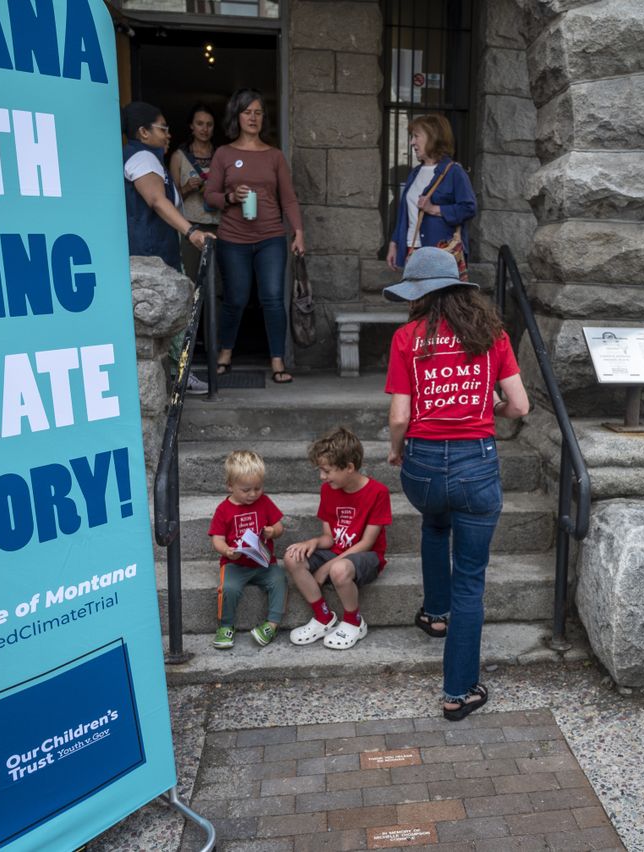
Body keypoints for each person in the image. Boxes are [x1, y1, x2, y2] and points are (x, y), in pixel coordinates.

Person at [384, 248, 530, 721]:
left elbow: (400, 416)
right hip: (476, 464)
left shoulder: (406, 337)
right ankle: (458, 692)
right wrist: (489, 411)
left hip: (423, 465)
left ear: (418, 296)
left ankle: (434, 614)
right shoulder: (493, 336)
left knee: (433, 523)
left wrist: (395, 450)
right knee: (472, 580)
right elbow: (521, 406)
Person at [204, 88, 305, 384]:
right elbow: (210, 196)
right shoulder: (224, 153)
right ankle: (225, 353)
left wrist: (298, 232)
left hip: (271, 237)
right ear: (237, 115)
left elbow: (288, 199)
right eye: (247, 112)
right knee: (235, 299)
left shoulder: (274, 156)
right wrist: (231, 197)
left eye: (258, 112)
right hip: (233, 238)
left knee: (273, 299)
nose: (253, 117)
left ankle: (277, 360)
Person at [122, 101, 211, 394]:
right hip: (152, 253)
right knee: (172, 316)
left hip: (157, 250)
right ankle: (179, 374)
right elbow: (157, 201)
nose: (168, 133)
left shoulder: (148, 158)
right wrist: (192, 231)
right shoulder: (143, 159)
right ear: (143, 132)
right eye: (162, 128)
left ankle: (177, 374)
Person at [283, 427, 391, 650]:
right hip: (336, 553)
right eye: (320, 471)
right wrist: (311, 543)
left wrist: (326, 567)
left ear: (349, 467)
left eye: (327, 471)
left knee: (338, 570)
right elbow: (330, 538)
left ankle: (354, 622)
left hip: (365, 557)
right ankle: (323, 616)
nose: (322, 476)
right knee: (292, 557)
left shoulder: (378, 492)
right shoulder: (328, 490)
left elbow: (366, 543)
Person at [207, 450, 287, 649]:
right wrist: (226, 551)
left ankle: (271, 625)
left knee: (280, 580)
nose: (253, 494)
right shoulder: (223, 510)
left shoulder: (264, 502)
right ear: (230, 486)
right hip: (235, 563)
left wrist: (272, 532)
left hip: (263, 562)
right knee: (229, 589)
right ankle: (225, 626)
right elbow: (217, 539)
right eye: (246, 490)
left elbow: (279, 527)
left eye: (257, 488)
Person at [386, 114, 477, 277]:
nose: (412, 142)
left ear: (433, 136)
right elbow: (404, 214)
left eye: (416, 136)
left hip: (440, 251)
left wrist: (434, 208)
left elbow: (469, 208)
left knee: (438, 301)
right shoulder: (414, 173)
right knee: (416, 301)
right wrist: (394, 243)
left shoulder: (454, 172)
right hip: (412, 248)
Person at [170, 101, 220, 280]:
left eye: (209, 124)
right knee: (191, 279)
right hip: (190, 226)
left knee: (219, 283)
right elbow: (171, 199)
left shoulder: (221, 155)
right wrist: (187, 188)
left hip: (220, 225)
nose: (204, 129)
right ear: (191, 126)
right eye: (200, 124)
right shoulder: (179, 157)